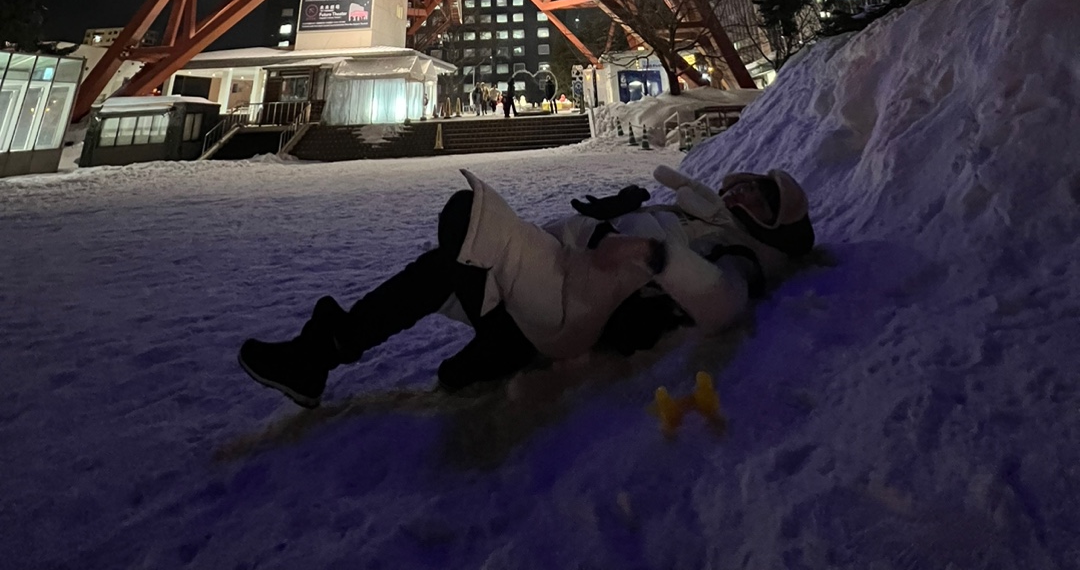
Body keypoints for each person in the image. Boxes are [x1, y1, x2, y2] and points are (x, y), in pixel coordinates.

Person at [237, 164, 814, 409]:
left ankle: (503, 342)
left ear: (771, 226)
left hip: (569, 302)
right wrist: (619, 215)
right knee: (441, 268)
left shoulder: (738, 253)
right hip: (559, 278)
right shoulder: (696, 212)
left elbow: (724, 302)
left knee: (468, 218)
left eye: (761, 199)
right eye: (747, 185)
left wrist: (652, 252)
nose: (743, 193)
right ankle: (318, 357)